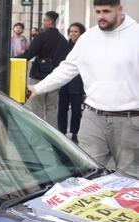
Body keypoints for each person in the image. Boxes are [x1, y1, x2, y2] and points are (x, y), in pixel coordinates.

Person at [28, 0, 139, 178]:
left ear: (119, 9)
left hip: (129, 120)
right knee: (87, 174)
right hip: (93, 117)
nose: (101, 16)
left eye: (106, 11)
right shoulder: (88, 38)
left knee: (130, 177)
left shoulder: (135, 35)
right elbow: (67, 69)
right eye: (98, 12)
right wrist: (38, 88)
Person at [18, 11, 68, 129]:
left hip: (38, 76)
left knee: (37, 107)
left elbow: (29, 54)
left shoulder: (41, 37)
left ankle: (38, 135)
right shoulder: (63, 40)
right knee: (52, 108)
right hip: (55, 78)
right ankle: (53, 137)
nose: (43, 23)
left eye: (44, 20)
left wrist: (12, 59)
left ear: (50, 22)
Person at [57, 23, 86, 143]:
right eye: (71, 31)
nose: (73, 34)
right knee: (62, 109)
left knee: (76, 110)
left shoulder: (85, 47)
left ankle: (75, 133)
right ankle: (62, 132)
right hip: (64, 83)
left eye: (76, 31)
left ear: (81, 33)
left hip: (78, 84)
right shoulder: (64, 45)